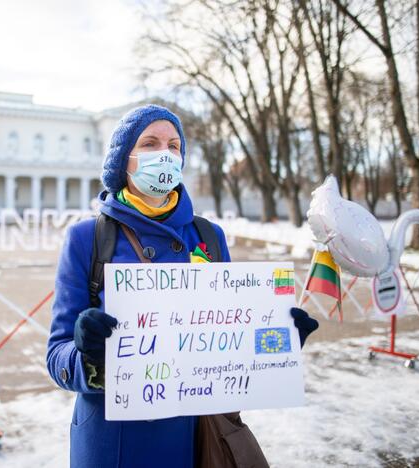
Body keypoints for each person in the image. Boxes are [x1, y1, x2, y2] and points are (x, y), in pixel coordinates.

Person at [46, 104, 319, 468]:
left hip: (191, 440)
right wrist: (89, 356)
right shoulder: (88, 238)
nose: (164, 155)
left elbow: (227, 337)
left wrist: (277, 343)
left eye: (174, 147)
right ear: (123, 161)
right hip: (112, 445)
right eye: (150, 143)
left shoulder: (208, 236)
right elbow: (57, 357)